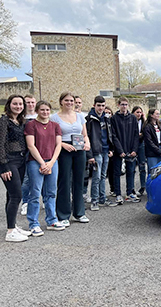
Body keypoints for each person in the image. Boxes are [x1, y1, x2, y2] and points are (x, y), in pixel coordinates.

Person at [25, 100, 66, 236]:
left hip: (52, 162)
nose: (45, 112)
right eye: (42, 110)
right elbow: (31, 146)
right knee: (35, 193)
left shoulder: (55, 125)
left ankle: (51, 220)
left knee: (51, 193)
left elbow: (58, 145)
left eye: (47, 110)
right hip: (36, 162)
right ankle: (33, 223)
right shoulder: (31, 125)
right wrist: (43, 163)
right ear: (37, 111)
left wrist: (51, 162)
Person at [51, 92, 91, 226]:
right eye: (66, 100)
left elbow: (84, 134)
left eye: (71, 100)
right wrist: (63, 145)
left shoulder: (80, 116)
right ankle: (63, 215)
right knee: (64, 182)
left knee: (79, 181)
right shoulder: (55, 118)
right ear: (61, 102)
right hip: (64, 150)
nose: (69, 103)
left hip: (79, 150)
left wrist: (87, 143)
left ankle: (79, 213)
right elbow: (51, 137)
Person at [0, 95, 31, 242]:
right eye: (15, 104)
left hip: (21, 160)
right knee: (17, 195)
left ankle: (13, 225)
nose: (18, 106)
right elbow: (1, 145)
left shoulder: (21, 121)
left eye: (20, 104)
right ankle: (10, 232)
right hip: (9, 161)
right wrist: (4, 166)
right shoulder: (3, 121)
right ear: (9, 104)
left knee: (11, 196)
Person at [86, 96, 117, 210]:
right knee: (96, 177)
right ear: (94, 105)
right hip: (96, 151)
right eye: (99, 105)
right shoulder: (89, 119)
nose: (101, 108)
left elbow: (110, 135)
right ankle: (94, 200)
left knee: (103, 176)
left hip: (105, 150)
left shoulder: (107, 118)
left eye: (103, 106)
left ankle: (102, 199)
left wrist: (111, 149)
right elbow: (87, 138)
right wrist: (89, 155)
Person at [111, 97, 140, 203]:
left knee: (131, 172)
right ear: (118, 105)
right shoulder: (114, 118)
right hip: (119, 150)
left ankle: (130, 193)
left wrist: (134, 149)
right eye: (122, 104)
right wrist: (120, 150)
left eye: (126, 104)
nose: (124, 106)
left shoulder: (132, 118)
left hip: (131, 149)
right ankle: (118, 194)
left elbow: (136, 135)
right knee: (117, 172)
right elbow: (113, 136)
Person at [20, 94, 38, 216]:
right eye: (28, 102)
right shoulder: (21, 118)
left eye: (32, 102)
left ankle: (39, 200)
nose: (30, 105)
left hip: (40, 151)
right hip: (25, 152)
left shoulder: (40, 116)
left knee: (40, 178)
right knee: (26, 179)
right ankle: (25, 203)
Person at [143, 109, 161, 175]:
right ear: (151, 115)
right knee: (153, 171)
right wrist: (159, 151)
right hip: (152, 152)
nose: (158, 115)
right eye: (156, 114)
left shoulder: (159, 125)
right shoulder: (147, 126)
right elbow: (149, 141)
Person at [132, 106, 147, 196]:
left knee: (142, 166)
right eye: (137, 112)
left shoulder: (143, 122)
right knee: (132, 168)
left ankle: (143, 186)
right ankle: (132, 188)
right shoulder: (131, 121)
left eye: (140, 112)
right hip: (132, 145)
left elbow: (146, 131)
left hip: (141, 144)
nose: (139, 114)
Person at [104, 106, 116, 196]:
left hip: (114, 149)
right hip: (106, 150)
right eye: (106, 112)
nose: (107, 114)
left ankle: (113, 188)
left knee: (113, 171)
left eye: (109, 113)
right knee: (105, 172)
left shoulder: (113, 123)